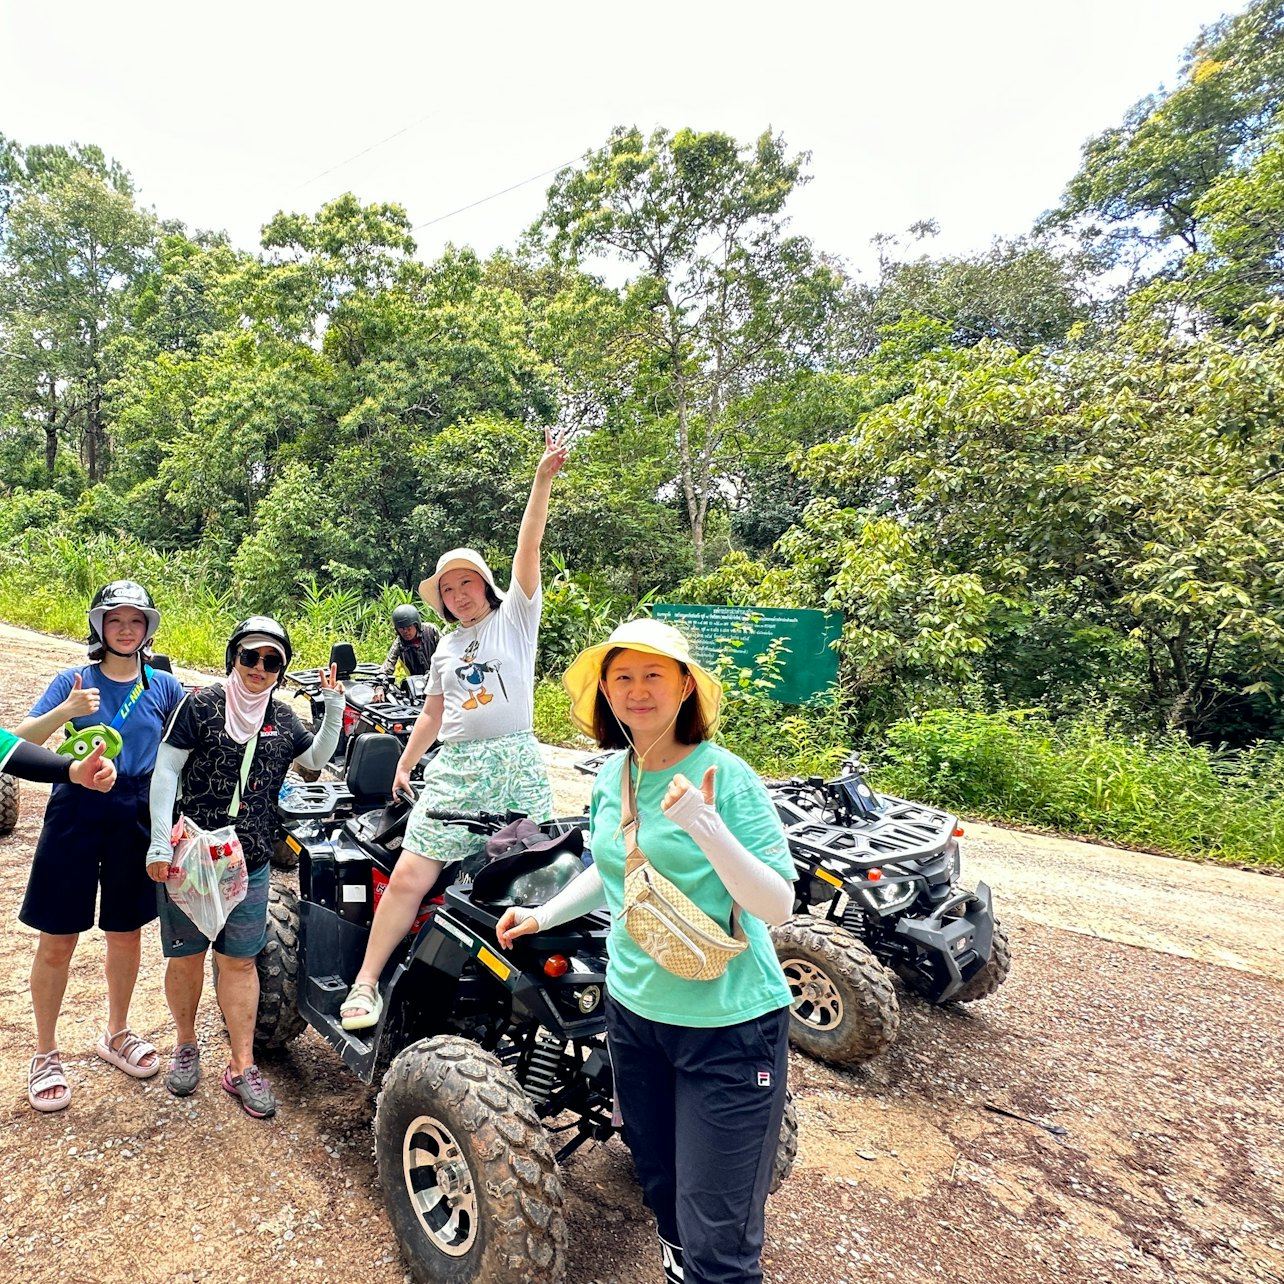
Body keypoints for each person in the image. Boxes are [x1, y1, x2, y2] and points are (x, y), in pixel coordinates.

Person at [496, 618, 796, 1284]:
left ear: (686, 685)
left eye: (654, 674)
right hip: (633, 1018)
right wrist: (541, 913)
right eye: (622, 677)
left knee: (719, 1235)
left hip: (730, 1027)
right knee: (662, 1189)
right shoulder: (616, 775)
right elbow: (616, 869)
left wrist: (706, 827)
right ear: (603, 691)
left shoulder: (727, 776)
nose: (637, 691)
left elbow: (778, 906)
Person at [340, 428, 569, 1029]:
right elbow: (434, 714)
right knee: (414, 873)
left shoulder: (517, 619)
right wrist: (407, 763)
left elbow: (530, 546)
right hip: (459, 767)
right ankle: (366, 983)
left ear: (486, 586)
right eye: (448, 587)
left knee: (529, 874)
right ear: (439, 601)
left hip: (517, 762)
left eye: (468, 581)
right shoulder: (444, 646)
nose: (459, 592)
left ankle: (518, 1006)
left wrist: (541, 480)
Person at [145, 616, 344, 1118]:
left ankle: (241, 1063)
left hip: (249, 859)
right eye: (250, 656)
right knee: (187, 956)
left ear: (281, 668)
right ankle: (186, 1044)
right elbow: (166, 770)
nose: (259, 668)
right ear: (234, 655)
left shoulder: (282, 717)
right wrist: (157, 845)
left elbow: (315, 758)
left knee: (239, 960)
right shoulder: (202, 704)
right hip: (191, 853)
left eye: (271, 660)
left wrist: (334, 705)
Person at [16, 580, 186, 1113]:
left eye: (136, 621)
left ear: (147, 628)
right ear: (100, 627)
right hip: (74, 808)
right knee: (58, 936)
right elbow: (19, 740)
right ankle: (44, 1052)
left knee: (125, 931)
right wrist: (65, 711)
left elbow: (185, 753)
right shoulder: (74, 680)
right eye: (116, 621)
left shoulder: (164, 686)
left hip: (133, 811)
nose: (126, 629)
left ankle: (116, 1031)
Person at [378, 604, 439, 686]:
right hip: (417, 684)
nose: (405, 631)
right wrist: (380, 684)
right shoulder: (399, 643)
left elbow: (446, 653)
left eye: (408, 627)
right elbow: (388, 664)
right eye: (401, 629)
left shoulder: (431, 631)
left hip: (439, 676)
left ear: (416, 625)